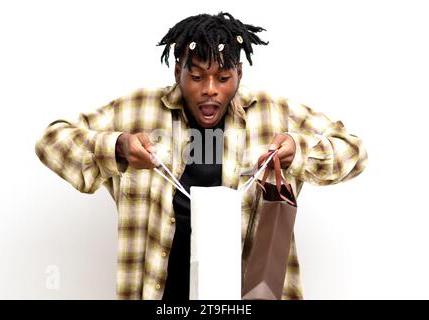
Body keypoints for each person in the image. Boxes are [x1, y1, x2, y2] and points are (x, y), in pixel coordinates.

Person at [35, 12, 368, 300]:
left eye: (223, 78)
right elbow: (51, 141)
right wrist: (118, 146)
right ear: (177, 70)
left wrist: (300, 151)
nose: (210, 89)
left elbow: (354, 150)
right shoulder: (138, 109)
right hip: (162, 294)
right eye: (196, 77)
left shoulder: (273, 113)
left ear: (239, 73)